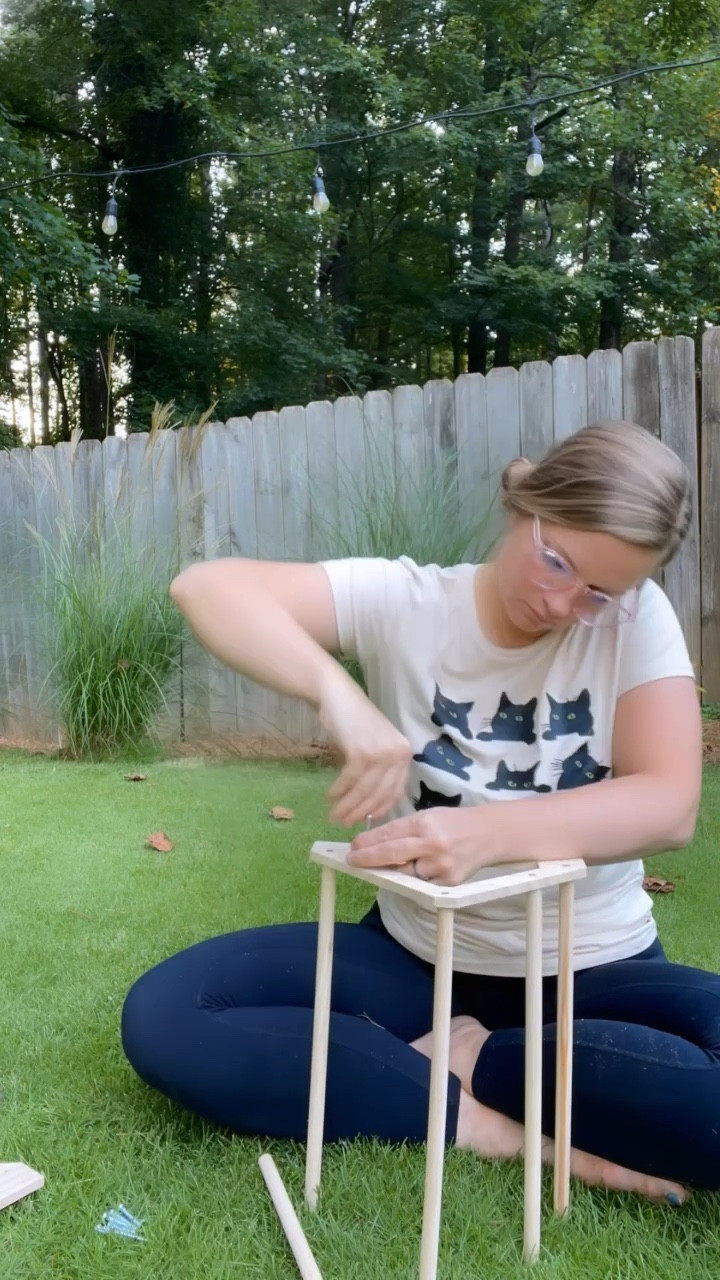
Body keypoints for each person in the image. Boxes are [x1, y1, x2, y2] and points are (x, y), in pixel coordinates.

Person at [121, 419, 715, 1206]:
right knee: (166, 1014)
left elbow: (669, 804)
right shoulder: (407, 601)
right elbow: (207, 588)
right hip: (416, 960)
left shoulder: (639, 623)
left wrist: (482, 833)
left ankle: (469, 1058)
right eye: (557, 562)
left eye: (599, 594)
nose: (565, 603)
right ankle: (491, 1127)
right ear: (522, 505)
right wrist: (338, 695)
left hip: (591, 965)